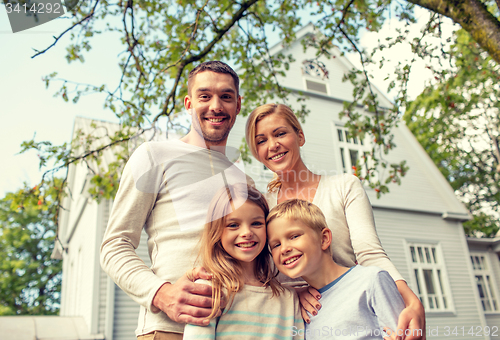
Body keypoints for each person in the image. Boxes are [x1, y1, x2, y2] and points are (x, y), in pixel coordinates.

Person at [245, 103, 425, 339]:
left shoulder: (343, 187)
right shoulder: (262, 207)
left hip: (352, 315)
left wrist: (412, 302)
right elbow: (257, 274)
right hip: (295, 322)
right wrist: (292, 294)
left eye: (280, 133)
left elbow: (370, 254)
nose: (273, 145)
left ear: (300, 135)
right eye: (261, 140)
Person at [100, 61, 252, 340]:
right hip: (169, 330)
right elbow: (114, 246)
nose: (216, 106)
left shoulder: (244, 179)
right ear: (188, 103)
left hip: (238, 330)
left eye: (226, 96)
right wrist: (162, 294)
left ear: (238, 104)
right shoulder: (154, 156)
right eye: (204, 96)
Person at [267, 199, 406, 340]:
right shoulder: (300, 307)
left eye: (294, 236)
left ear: (324, 239)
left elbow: (402, 334)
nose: (284, 249)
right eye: (276, 245)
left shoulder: (372, 280)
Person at [183, 183, 304, 339]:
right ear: (217, 231)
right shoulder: (208, 291)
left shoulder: (289, 298)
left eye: (256, 223)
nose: (246, 232)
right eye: (233, 225)